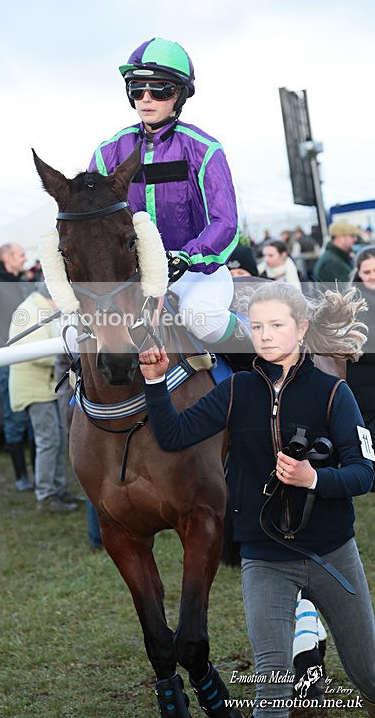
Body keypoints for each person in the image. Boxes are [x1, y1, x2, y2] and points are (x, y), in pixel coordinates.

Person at [139, 282, 375, 717]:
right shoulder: (236, 391)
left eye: (277, 325)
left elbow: (365, 473)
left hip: (332, 555)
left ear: (301, 329)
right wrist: (155, 383)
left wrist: (313, 478)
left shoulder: (333, 393)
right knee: (272, 689)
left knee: (368, 673)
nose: (265, 336)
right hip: (264, 560)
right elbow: (172, 436)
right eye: (257, 327)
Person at [89, 37, 243, 352]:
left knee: (201, 318)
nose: (146, 99)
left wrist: (186, 256)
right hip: (133, 278)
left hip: (194, 272)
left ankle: (269, 363)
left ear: (179, 95)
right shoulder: (106, 154)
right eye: (136, 89)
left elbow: (225, 222)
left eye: (159, 90)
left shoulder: (204, 149)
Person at [8, 284, 79, 513]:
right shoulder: (30, 311)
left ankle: (58, 491)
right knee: (48, 442)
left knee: (57, 441)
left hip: (49, 388)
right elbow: (34, 352)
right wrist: (66, 360)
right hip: (35, 391)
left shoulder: (42, 310)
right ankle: (46, 495)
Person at [0, 243, 35, 491]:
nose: (25, 258)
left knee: (35, 419)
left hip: (31, 359)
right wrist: (10, 354)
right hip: (9, 362)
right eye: (21, 254)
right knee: (15, 419)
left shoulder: (20, 281)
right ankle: (21, 476)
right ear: (7, 257)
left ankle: (39, 474)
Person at [347, 246, 375, 438]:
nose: (372, 276)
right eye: (367, 271)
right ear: (359, 272)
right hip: (366, 388)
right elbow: (359, 342)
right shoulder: (354, 303)